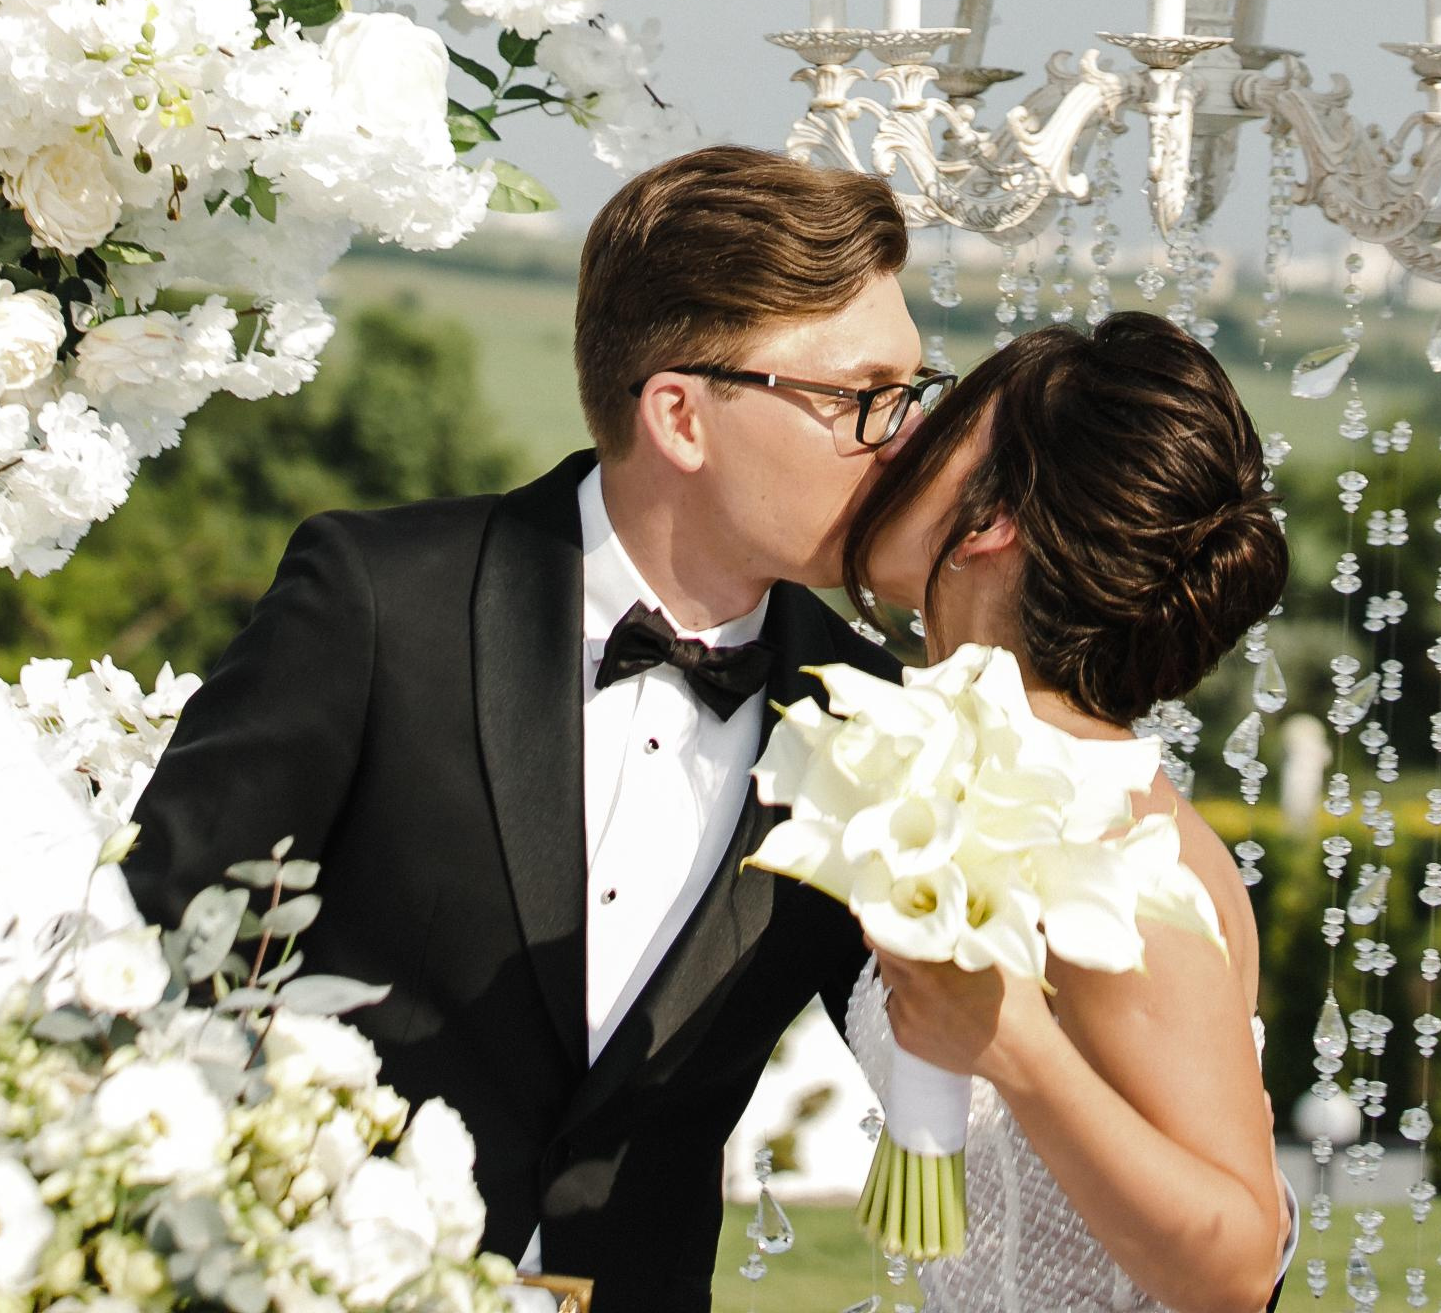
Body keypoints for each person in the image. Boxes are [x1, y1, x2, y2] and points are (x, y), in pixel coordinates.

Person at [124, 145, 940, 1313]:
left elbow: (950, 1085)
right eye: (860, 399)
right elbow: (148, 953)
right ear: (680, 417)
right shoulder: (376, 603)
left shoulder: (872, 721)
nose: (902, 442)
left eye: (912, 393)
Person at [841, 312, 1296, 1313]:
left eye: (938, 414)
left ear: (990, 517)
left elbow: (1235, 1265)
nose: (894, 436)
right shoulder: (994, 786)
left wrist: (1017, 1050)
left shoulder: (1111, 849)